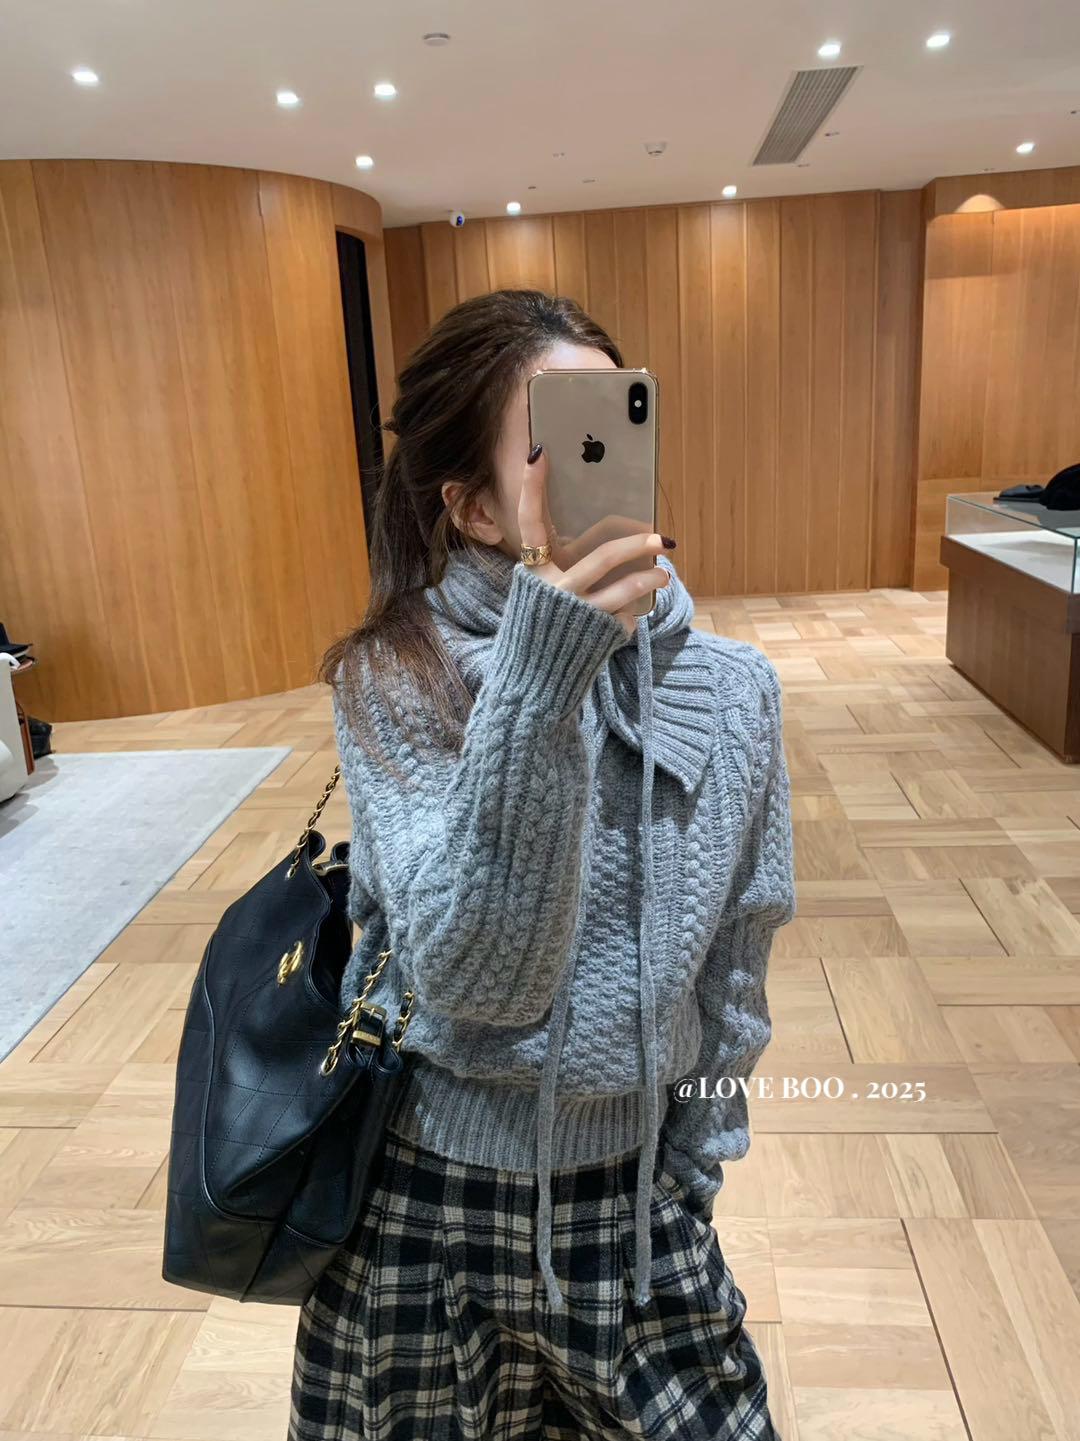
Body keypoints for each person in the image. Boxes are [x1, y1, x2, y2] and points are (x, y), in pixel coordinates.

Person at [289, 289, 796, 1441]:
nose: (595, 457)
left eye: (615, 418)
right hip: (425, 1208)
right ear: (470, 504)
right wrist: (539, 682)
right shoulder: (397, 680)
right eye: (551, 438)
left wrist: (691, 1173)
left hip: (637, 1202)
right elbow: (478, 980)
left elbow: (737, 968)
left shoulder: (736, 694)